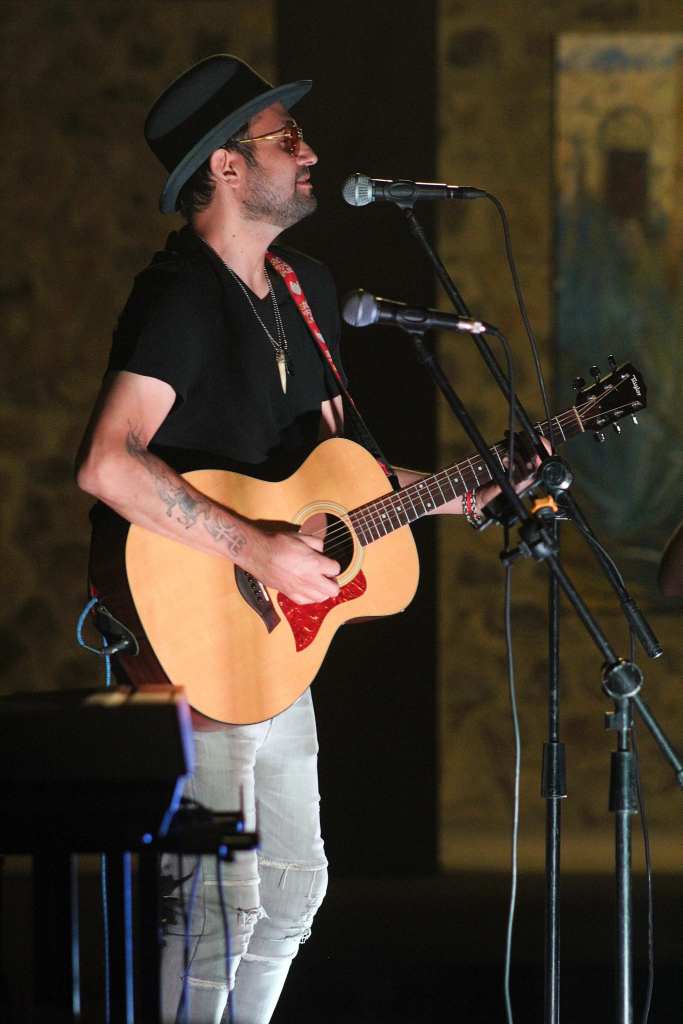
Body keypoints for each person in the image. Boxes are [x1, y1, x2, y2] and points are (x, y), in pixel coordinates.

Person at [76, 54, 536, 1024]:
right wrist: (256, 549)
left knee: (292, 889)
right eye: (284, 137)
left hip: (272, 643)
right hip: (196, 630)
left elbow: (341, 484)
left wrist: (462, 490)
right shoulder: (179, 297)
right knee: (218, 903)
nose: (309, 150)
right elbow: (108, 464)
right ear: (226, 167)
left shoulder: (306, 291)